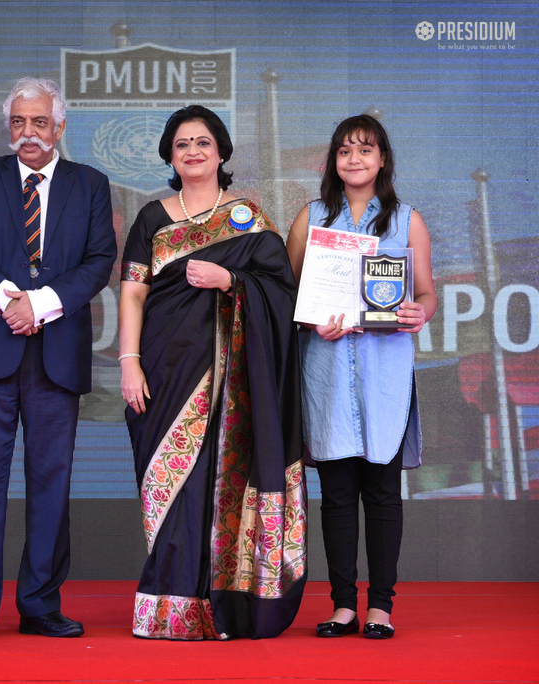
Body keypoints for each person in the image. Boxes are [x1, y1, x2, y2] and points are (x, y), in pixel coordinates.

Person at [119, 106, 306, 640]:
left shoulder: (249, 218)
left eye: (203, 142)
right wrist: (129, 362)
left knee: (217, 483)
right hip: (162, 371)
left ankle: (224, 606)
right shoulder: (152, 217)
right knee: (168, 484)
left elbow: (284, 294)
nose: (193, 152)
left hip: (233, 382)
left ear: (221, 152)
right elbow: (133, 294)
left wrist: (231, 280)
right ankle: (170, 603)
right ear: (169, 156)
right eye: (182, 144)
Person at [0, 76, 116, 642]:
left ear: (59, 127)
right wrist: (5, 299)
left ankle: (40, 604)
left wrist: (39, 304)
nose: (28, 132)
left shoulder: (90, 184)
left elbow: (100, 260)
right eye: (18, 122)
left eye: (39, 122)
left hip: (56, 356)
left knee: (51, 485)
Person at [286, 115, 435, 640]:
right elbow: (287, 292)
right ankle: (343, 605)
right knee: (337, 496)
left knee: (383, 494)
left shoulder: (406, 220)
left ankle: (381, 607)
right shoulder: (311, 216)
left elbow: (426, 293)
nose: (354, 159)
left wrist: (419, 312)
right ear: (333, 161)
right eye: (345, 150)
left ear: (382, 159)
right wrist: (309, 319)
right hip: (325, 373)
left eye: (365, 149)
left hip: (383, 375)